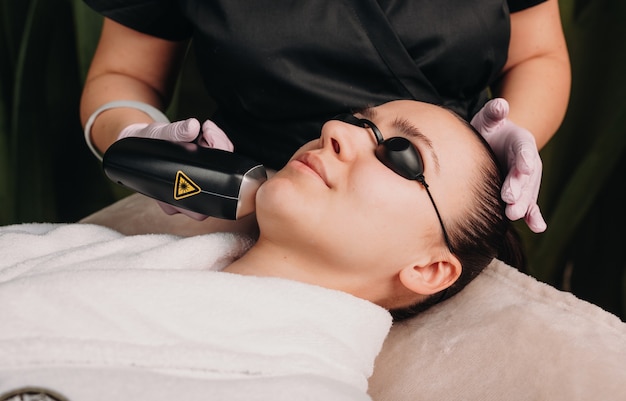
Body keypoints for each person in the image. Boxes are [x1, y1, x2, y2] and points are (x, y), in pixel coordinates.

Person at [1, 100, 516, 399]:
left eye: (402, 155)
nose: (335, 130)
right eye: (360, 122)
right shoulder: (82, 252)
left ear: (427, 268)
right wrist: (130, 132)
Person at [79, 0, 570, 235]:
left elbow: (538, 56)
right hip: (237, 200)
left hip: (431, 211)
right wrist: (135, 138)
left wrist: (487, 154)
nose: (337, 131)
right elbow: (123, 73)